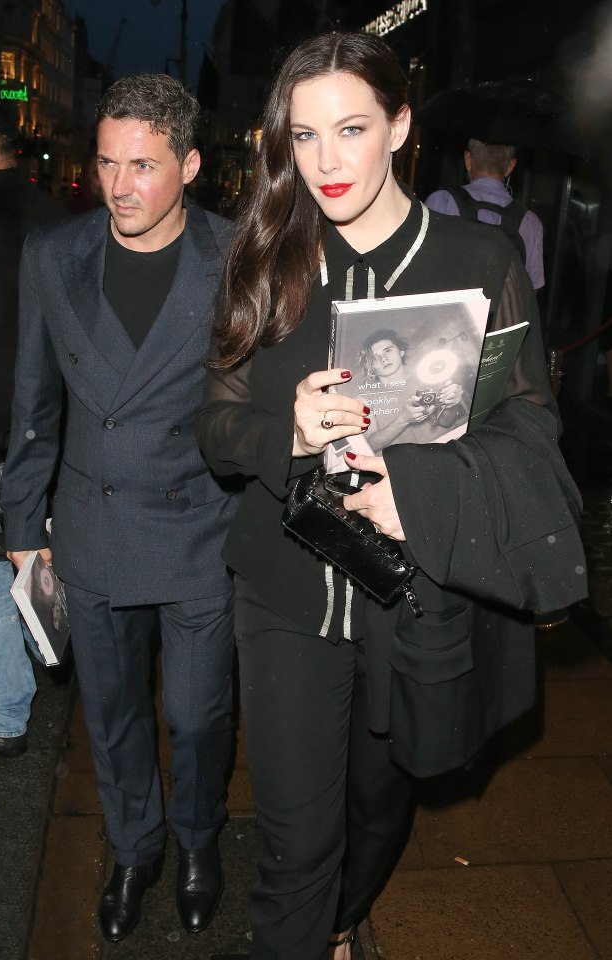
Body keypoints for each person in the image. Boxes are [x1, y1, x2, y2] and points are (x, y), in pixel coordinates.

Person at [196, 32, 587, 960]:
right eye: (303, 136)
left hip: (415, 593)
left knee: (378, 810)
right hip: (285, 592)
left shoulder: (481, 259)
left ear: (400, 125)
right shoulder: (263, 256)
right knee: (295, 844)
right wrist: (285, 431)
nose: (326, 161)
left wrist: (416, 488)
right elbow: (214, 428)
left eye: (351, 128)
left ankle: (343, 918)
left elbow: (530, 425)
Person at [2, 74, 238, 943]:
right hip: (90, 529)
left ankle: (199, 841)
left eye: (143, 165)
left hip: (199, 530)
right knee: (112, 715)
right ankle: (135, 848)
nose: (120, 185)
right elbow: (34, 401)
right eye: (107, 163)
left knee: (199, 713)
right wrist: (24, 532)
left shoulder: (233, 254)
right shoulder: (53, 257)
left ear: (189, 165)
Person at [0, 93, 64, 758]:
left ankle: (3, 715)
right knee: (34, 546)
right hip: (51, 424)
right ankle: (50, 646)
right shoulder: (60, 217)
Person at [425, 138, 545, 291]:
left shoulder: (442, 201)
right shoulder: (530, 222)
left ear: (468, 159)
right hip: (503, 314)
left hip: (451, 314)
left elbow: (424, 269)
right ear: (510, 166)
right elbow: (530, 293)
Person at [356, 329, 466, 451]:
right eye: (375, 357)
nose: (383, 358)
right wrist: (404, 419)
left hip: (446, 451)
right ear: (369, 364)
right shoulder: (364, 400)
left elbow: (446, 422)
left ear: (401, 351)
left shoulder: (429, 378)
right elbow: (371, 445)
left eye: (388, 350)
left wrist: (452, 404)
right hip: (408, 464)